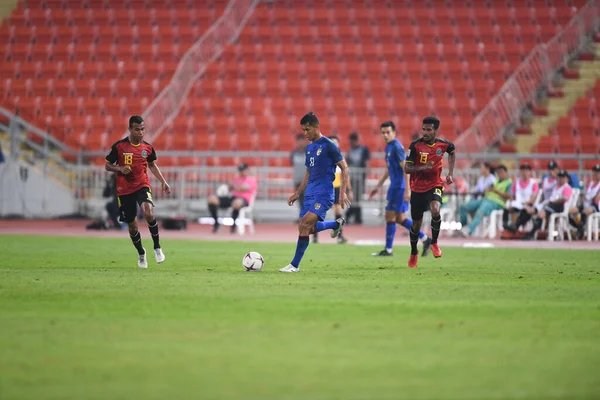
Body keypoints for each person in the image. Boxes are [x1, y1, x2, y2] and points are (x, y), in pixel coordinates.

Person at [279, 112, 351, 273]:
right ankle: (336, 224)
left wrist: (343, 192)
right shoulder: (310, 147)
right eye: (303, 130)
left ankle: (294, 265)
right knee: (306, 228)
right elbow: (308, 171)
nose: (305, 133)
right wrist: (298, 192)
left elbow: (344, 167)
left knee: (304, 223)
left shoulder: (329, 145)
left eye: (307, 129)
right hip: (310, 192)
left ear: (316, 127)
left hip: (324, 193)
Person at [105, 115, 171, 268]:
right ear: (130, 129)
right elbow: (108, 165)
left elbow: (152, 165)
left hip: (142, 184)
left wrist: (163, 181)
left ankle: (157, 247)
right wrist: (120, 168)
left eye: (142, 129)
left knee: (149, 212)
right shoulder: (120, 146)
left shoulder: (147, 148)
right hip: (124, 189)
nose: (140, 132)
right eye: (137, 129)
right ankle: (141, 253)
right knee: (132, 225)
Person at [368, 121, 431, 257]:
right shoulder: (389, 147)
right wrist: (377, 187)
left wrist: (408, 190)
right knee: (400, 218)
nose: (385, 135)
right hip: (394, 186)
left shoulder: (396, 147)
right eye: (383, 133)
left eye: (388, 132)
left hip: (399, 187)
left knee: (390, 216)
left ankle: (389, 250)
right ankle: (426, 239)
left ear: (394, 133)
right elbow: (388, 170)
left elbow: (406, 169)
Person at [404, 116, 455, 268]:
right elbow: (407, 168)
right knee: (416, 225)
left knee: (435, 210)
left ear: (436, 131)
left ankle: (434, 242)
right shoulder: (415, 146)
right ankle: (414, 252)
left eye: (429, 129)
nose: (425, 132)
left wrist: (450, 173)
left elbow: (452, 151)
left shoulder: (443, 145)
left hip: (435, 185)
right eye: (424, 129)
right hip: (417, 188)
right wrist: (423, 168)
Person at [458, 164, 512, 237]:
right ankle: (463, 228)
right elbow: (486, 190)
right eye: (498, 173)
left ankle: (469, 230)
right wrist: (487, 190)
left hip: (496, 203)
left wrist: (496, 191)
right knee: (463, 206)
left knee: (480, 211)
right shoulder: (496, 182)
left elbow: (509, 196)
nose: (500, 174)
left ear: (506, 173)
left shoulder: (509, 182)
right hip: (485, 199)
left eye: (501, 172)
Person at [207, 162, 257, 234]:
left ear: (247, 170)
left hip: (244, 200)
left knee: (237, 203)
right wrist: (225, 188)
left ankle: (233, 226)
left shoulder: (251, 179)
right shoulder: (236, 179)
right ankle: (216, 223)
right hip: (233, 198)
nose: (242, 172)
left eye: (243, 170)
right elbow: (229, 188)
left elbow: (243, 188)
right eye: (240, 170)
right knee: (212, 200)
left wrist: (234, 186)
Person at [523, 169, 573, 240]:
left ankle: (534, 233)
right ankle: (540, 233)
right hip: (551, 205)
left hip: (559, 207)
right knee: (535, 212)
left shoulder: (566, 187)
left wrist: (553, 201)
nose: (561, 179)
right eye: (559, 177)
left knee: (542, 213)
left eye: (563, 177)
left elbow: (564, 199)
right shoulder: (556, 187)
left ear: (566, 178)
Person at [329, 135, 352, 244]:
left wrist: (349, 189)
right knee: (318, 213)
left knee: (338, 212)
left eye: (335, 142)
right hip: (326, 187)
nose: (334, 144)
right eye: (331, 142)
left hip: (337, 188)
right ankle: (314, 236)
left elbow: (345, 174)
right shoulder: (326, 157)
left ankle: (340, 236)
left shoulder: (341, 158)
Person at [503, 162, 539, 233]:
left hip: (528, 204)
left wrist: (526, 203)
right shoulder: (516, 182)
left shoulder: (533, 183)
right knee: (506, 208)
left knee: (527, 212)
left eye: (526, 170)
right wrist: (510, 202)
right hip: (518, 203)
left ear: (530, 172)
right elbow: (512, 196)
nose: (524, 173)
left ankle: (515, 226)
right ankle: (505, 225)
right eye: (523, 170)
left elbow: (533, 198)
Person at [345, 131, 370, 224]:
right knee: (353, 198)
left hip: (360, 177)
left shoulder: (363, 149)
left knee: (357, 198)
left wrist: (365, 175)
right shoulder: (350, 151)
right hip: (351, 178)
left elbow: (366, 163)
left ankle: (351, 216)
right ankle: (357, 217)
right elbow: (346, 163)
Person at [569, 164, 600, 238]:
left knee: (586, 211)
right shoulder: (590, 184)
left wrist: (589, 197)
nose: (596, 174)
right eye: (595, 172)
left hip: (596, 206)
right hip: (586, 204)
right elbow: (584, 197)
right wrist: (589, 197)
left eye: (598, 172)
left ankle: (580, 230)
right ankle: (578, 227)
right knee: (569, 211)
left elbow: (596, 199)